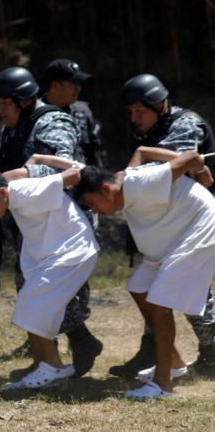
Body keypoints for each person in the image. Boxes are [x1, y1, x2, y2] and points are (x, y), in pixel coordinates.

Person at [74, 147, 215, 400]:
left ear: (106, 189)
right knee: (139, 287)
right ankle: (173, 362)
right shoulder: (123, 183)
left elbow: (192, 157)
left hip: (200, 230)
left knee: (160, 302)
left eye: (92, 203)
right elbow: (138, 150)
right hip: (171, 239)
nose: (93, 210)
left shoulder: (141, 182)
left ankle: (163, 385)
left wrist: (200, 169)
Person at [0, 66, 103, 379]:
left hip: (61, 225)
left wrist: (15, 177)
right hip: (29, 221)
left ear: (24, 101)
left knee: (53, 292)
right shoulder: (9, 129)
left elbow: (62, 172)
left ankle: (78, 345)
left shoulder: (53, 122)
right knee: (29, 286)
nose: (0, 108)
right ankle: (46, 358)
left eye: (5, 102)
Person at [109, 74, 215, 379]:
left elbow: (167, 171)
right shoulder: (154, 129)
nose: (135, 118)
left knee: (197, 297)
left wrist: (134, 169)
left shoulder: (185, 124)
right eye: (130, 112)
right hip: (170, 222)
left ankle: (210, 355)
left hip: (194, 222)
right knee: (152, 290)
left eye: (139, 111)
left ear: (159, 104)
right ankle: (155, 351)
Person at [0, 157, 99, 390]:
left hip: (73, 251)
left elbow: (76, 174)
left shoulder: (29, 189)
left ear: (2, 193)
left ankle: (53, 367)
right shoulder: (9, 193)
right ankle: (44, 368)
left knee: (32, 304)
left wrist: (39, 160)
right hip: (52, 253)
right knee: (33, 307)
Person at [41, 58, 103, 167]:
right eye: (74, 84)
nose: (79, 88)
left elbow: (94, 155)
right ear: (56, 85)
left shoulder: (83, 112)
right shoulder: (34, 114)